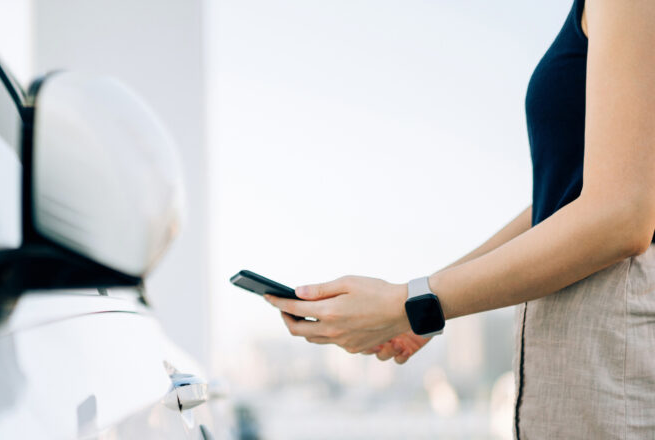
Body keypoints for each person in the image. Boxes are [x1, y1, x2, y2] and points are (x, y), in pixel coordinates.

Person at [263, 0, 655, 438]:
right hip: (592, 351)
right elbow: (563, 199)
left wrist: (410, 305)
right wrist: (413, 304)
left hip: (616, 348)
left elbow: (621, 214)